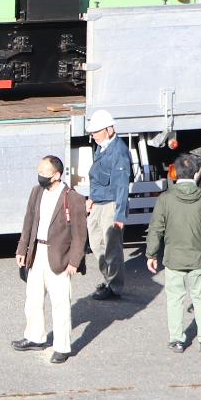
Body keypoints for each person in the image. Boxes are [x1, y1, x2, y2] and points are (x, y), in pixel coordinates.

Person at [13, 155, 89, 365]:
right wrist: (22, 249)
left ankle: (62, 347)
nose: (40, 176)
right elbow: (28, 221)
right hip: (37, 253)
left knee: (60, 303)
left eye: (45, 173)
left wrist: (74, 261)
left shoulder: (72, 198)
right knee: (33, 299)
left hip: (59, 257)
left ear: (57, 175)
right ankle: (35, 337)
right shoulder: (37, 192)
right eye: (39, 172)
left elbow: (80, 234)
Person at [147, 153, 201, 353]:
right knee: (200, 297)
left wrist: (151, 254)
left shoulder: (166, 199)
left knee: (175, 298)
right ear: (196, 173)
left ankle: (177, 339)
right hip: (198, 257)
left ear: (175, 173)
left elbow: (156, 228)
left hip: (174, 258)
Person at [84, 111, 131, 300]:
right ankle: (109, 278)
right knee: (96, 244)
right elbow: (99, 178)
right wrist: (92, 198)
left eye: (96, 131)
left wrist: (120, 215)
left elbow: (121, 186)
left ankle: (115, 287)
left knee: (112, 247)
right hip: (98, 203)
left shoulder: (118, 152)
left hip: (110, 205)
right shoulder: (101, 146)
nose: (93, 135)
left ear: (109, 130)